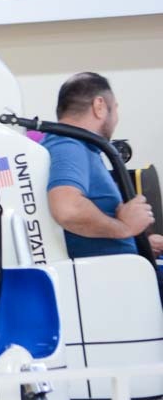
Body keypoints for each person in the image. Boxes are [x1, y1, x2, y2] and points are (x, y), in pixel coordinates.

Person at [44, 72, 163, 265]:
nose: (116, 118)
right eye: (114, 108)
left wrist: (139, 241)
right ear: (99, 106)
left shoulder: (81, 147)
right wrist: (125, 228)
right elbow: (68, 209)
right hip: (106, 277)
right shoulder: (68, 145)